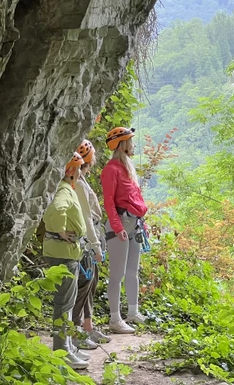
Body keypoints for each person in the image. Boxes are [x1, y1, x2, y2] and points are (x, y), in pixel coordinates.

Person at [42, 152, 91, 370]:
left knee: (67, 303)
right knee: (64, 304)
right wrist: (60, 231)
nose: (81, 172)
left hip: (67, 252)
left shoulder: (64, 189)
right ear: (70, 171)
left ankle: (67, 346)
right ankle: (62, 351)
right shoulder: (63, 190)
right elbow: (55, 210)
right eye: (79, 168)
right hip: (64, 252)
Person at [100, 127, 149, 334]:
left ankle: (133, 312)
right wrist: (118, 227)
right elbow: (109, 202)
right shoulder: (111, 170)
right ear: (122, 144)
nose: (133, 145)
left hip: (134, 223)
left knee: (132, 272)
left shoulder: (127, 167)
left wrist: (142, 222)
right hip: (119, 224)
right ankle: (114, 318)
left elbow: (135, 197)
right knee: (117, 273)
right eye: (130, 141)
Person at [71, 140, 112, 349]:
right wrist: (95, 245)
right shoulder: (77, 183)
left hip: (91, 236)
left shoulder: (82, 181)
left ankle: (87, 325)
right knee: (84, 283)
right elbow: (86, 216)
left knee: (92, 282)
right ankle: (75, 329)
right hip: (87, 239)